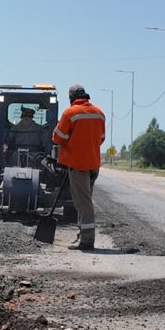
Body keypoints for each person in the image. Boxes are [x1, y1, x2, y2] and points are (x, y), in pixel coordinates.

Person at [51, 84, 105, 250]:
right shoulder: (99, 114)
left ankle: (87, 240)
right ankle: (82, 236)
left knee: (83, 203)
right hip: (93, 164)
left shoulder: (70, 113)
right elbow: (101, 138)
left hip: (78, 165)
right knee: (84, 201)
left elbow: (58, 138)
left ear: (71, 98)